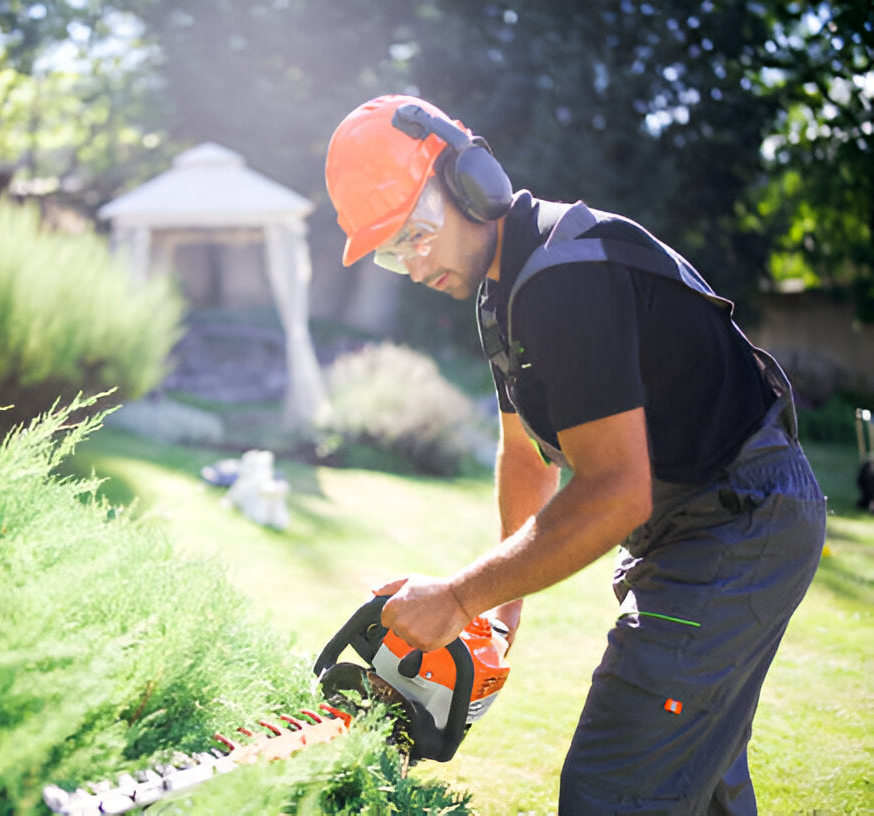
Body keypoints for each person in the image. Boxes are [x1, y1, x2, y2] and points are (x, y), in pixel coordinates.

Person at [324, 94, 826, 814]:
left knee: (613, 788)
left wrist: (462, 596)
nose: (412, 262)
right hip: (698, 525)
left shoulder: (566, 277)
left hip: (738, 521)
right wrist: (502, 610)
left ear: (473, 181)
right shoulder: (505, 292)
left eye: (415, 232)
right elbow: (527, 458)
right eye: (389, 251)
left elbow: (616, 492)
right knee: (697, 778)